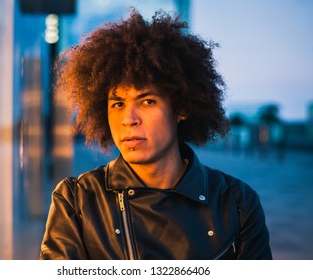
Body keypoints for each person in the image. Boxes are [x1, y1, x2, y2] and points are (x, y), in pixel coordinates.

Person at [39, 9, 272, 260]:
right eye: (117, 104)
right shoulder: (77, 202)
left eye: (147, 101)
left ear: (181, 108)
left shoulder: (237, 203)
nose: (129, 119)